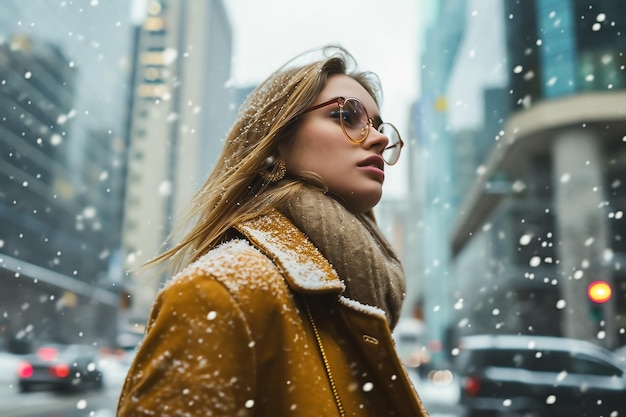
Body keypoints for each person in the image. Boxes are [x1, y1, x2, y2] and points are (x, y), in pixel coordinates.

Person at [116, 45, 428, 417]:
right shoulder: (222, 292)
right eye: (346, 115)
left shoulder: (355, 297)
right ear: (277, 140)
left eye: (378, 126)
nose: (377, 138)